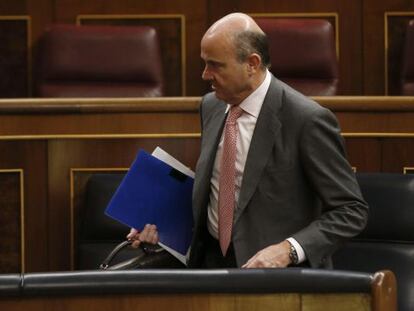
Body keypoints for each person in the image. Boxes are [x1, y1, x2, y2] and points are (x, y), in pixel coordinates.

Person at [127, 12, 369, 269]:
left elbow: (351, 210)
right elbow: (218, 189)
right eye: (204, 63)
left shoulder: (307, 120)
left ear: (252, 63)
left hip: (273, 277)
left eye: (215, 65)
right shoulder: (211, 105)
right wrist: (162, 224)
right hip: (208, 265)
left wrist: (289, 250)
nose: (205, 75)